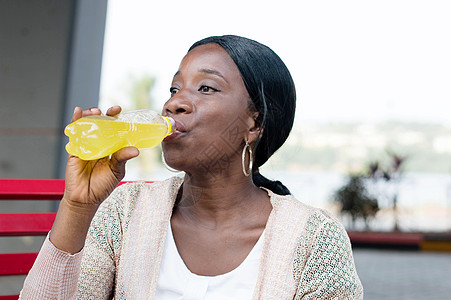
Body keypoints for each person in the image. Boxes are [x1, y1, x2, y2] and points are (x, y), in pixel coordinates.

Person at [20, 35, 363, 299]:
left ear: (254, 123)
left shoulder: (313, 238)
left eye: (206, 88)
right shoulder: (126, 213)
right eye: (174, 88)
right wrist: (78, 207)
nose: (174, 103)